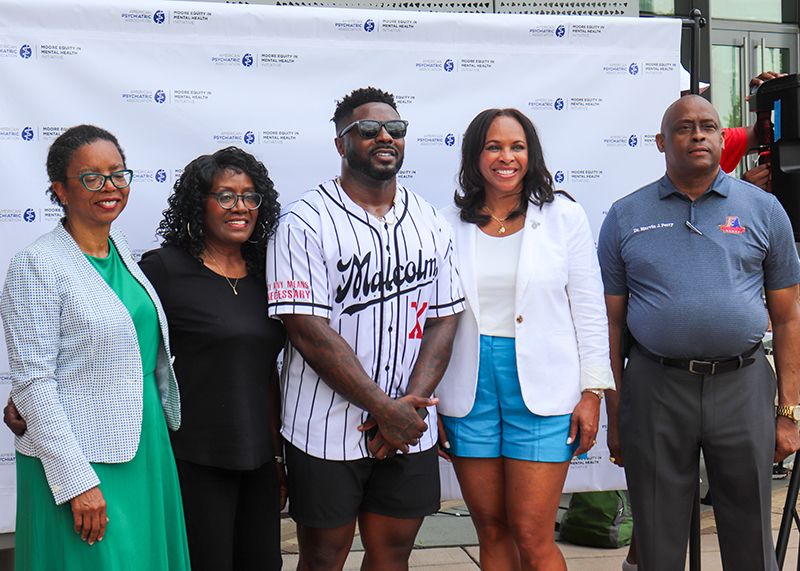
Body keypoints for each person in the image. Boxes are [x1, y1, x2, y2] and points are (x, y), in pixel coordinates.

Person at [266, 86, 464, 571]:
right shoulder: (302, 221)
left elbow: (444, 316)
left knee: (394, 553)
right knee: (323, 556)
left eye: (395, 130)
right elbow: (308, 330)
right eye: (368, 129)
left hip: (409, 424)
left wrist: (406, 410)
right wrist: (385, 411)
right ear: (341, 142)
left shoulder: (429, 219)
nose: (385, 137)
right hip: (325, 427)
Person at [599, 95, 800, 571]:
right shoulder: (626, 215)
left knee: (750, 531)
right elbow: (608, 322)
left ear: (720, 136)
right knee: (657, 537)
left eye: (708, 126)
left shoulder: (765, 210)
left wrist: (790, 410)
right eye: (685, 127)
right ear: (660, 142)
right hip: (656, 387)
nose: (698, 135)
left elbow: (790, 317)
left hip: (743, 383)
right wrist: (616, 412)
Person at [1, 124, 190, 570]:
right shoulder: (37, 263)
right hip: (82, 456)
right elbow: (32, 383)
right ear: (60, 191)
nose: (109, 187)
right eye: (91, 177)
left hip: (144, 442)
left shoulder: (120, 246)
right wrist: (75, 482)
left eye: (118, 174)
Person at [435, 108, 614, 571]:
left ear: (531, 154)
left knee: (533, 535)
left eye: (517, 146)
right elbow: (431, 317)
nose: (505, 157)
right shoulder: (445, 224)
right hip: (468, 390)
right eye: (493, 146)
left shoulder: (564, 217)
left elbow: (590, 311)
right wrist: (430, 396)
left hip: (546, 391)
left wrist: (593, 393)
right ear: (475, 156)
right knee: (491, 530)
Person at [138, 146, 286, 571]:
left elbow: (266, 373)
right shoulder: (162, 270)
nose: (240, 207)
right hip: (193, 458)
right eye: (225, 196)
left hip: (257, 458)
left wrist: (277, 459)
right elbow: (116, 347)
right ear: (197, 203)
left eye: (249, 196)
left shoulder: (266, 273)